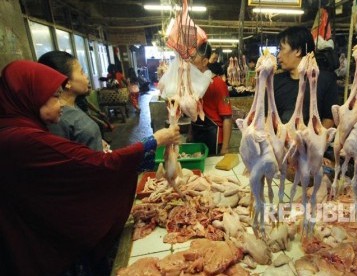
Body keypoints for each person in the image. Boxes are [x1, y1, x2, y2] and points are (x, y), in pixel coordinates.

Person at [0, 60, 180, 275]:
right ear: (32, 96)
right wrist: (153, 142)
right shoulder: (22, 139)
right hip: (37, 246)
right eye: (55, 97)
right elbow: (93, 166)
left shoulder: (16, 129)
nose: (60, 105)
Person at [38, 51, 108, 151]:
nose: (86, 76)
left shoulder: (72, 105)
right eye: (82, 72)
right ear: (67, 82)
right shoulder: (56, 117)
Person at [274, 26, 338, 128]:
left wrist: (313, 139)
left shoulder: (325, 80)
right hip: (281, 141)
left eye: (281, 49)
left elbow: (329, 119)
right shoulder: (275, 81)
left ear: (298, 51)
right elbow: (267, 116)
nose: (278, 56)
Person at [190, 43, 233, 155]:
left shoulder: (219, 84)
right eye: (190, 57)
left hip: (215, 138)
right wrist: (190, 135)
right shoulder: (194, 84)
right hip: (198, 135)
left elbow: (227, 118)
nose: (190, 61)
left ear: (204, 62)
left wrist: (225, 148)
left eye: (194, 58)